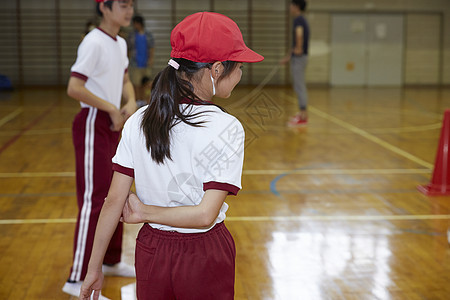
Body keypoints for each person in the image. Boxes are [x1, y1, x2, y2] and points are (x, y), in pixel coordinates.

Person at [79, 11, 263, 300]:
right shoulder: (227, 127)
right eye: (238, 66)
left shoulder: (139, 120)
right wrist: (145, 212)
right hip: (204, 252)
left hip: (151, 249)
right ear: (216, 70)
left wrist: (93, 268)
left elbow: (113, 201)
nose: (240, 74)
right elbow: (205, 215)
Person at [63, 0, 137, 299]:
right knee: (94, 200)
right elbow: (74, 87)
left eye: (131, 4)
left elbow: (126, 80)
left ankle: (111, 259)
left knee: (115, 195)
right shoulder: (93, 42)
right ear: (104, 7)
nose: (129, 10)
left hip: (112, 125)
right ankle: (76, 278)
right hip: (93, 121)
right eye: (122, 4)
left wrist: (130, 101)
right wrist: (109, 107)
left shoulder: (119, 43)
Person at [281, 0, 310, 126]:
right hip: (298, 57)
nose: (290, 7)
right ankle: (302, 114)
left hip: (299, 58)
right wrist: (289, 56)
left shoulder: (298, 20)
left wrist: (298, 49)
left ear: (296, 7)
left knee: (299, 86)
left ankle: (303, 117)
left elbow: (299, 35)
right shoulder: (301, 19)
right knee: (299, 86)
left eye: (291, 5)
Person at [127, 14, 155, 105]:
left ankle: (145, 100)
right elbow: (129, 49)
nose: (134, 26)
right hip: (135, 63)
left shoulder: (148, 34)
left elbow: (151, 48)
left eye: (135, 23)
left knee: (146, 83)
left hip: (145, 63)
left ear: (139, 24)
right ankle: (138, 100)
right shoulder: (132, 35)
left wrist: (151, 59)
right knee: (136, 84)